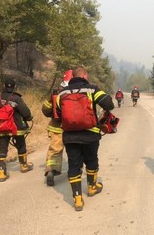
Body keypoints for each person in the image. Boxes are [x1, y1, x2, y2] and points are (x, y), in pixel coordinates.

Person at [57, 65, 114, 211]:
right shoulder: (91, 89)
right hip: (90, 134)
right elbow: (109, 104)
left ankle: (77, 199)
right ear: (84, 76)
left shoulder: (61, 93)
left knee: (74, 165)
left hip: (70, 136)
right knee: (91, 160)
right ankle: (92, 187)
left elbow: (58, 113)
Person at [0, 78, 34, 182]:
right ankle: (24, 165)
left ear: (4, 86)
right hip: (15, 127)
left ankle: (2, 173)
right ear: (14, 86)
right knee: (21, 144)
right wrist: (29, 118)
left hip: (1, 127)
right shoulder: (16, 98)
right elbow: (26, 113)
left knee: (2, 148)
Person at [41, 70, 72, 186]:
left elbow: (45, 110)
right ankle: (74, 171)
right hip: (72, 128)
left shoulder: (56, 93)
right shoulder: (77, 92)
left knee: (55, 151)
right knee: (73, 151)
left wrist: (52, 108)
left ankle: (51, 170)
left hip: (56, 128)